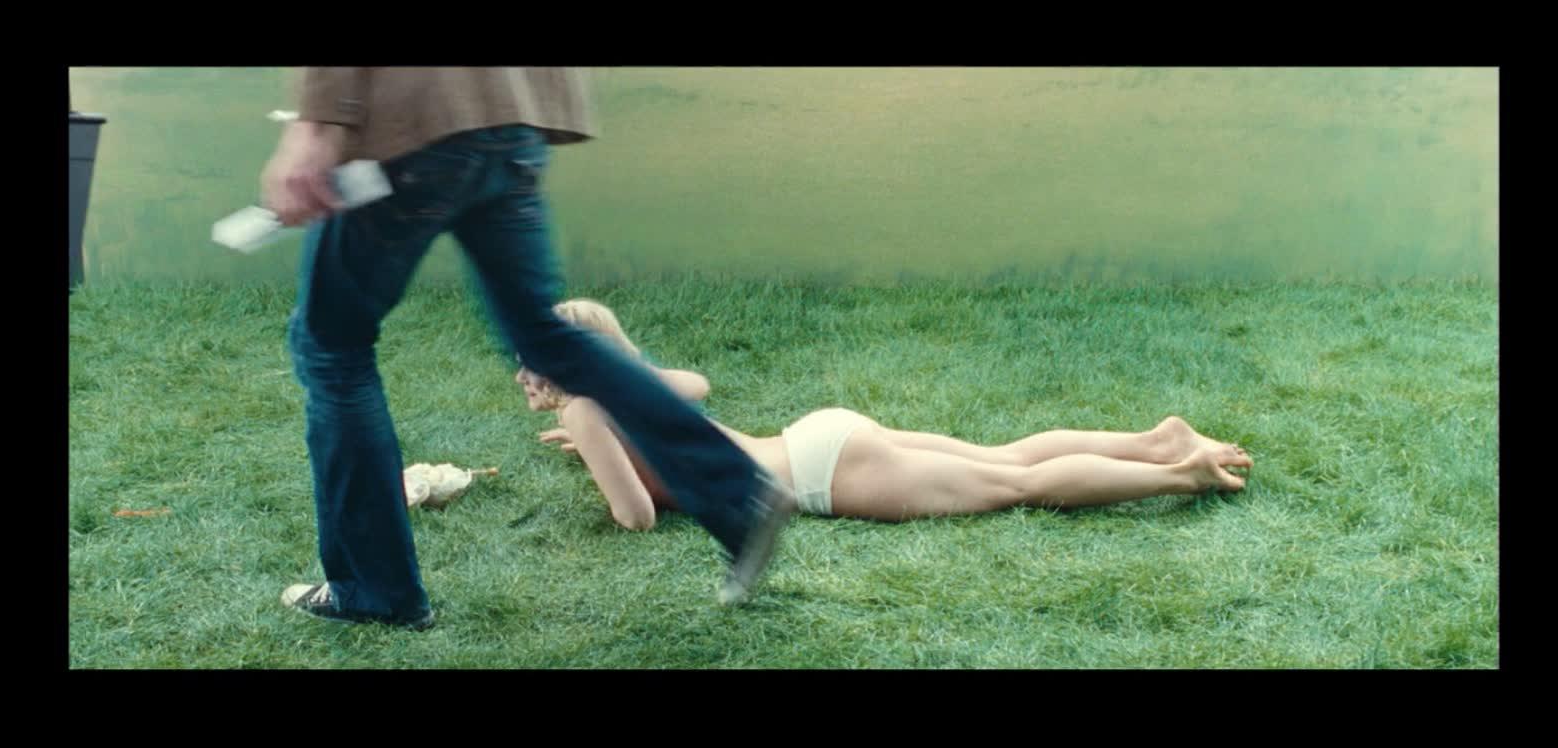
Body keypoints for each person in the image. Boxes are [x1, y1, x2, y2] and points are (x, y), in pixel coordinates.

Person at [261, 67, 794, 629]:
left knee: (331, 347)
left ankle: (376, 592)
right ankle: (737, 494)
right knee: (542, 334)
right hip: (512, 118)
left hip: (416, 121)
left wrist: (314, 126)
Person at [521, 299, 1254, 527]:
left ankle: (1182, 473)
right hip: (821, 434)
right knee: (1004, 457)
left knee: (1017, 486)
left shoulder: (592, 410)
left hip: (820, 474)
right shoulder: (625, 396)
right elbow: (694, 384)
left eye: (529, 359)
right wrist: (603, 415)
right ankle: (1157, 440)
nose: (522, 374)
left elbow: (635, 518)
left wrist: (595, 441)